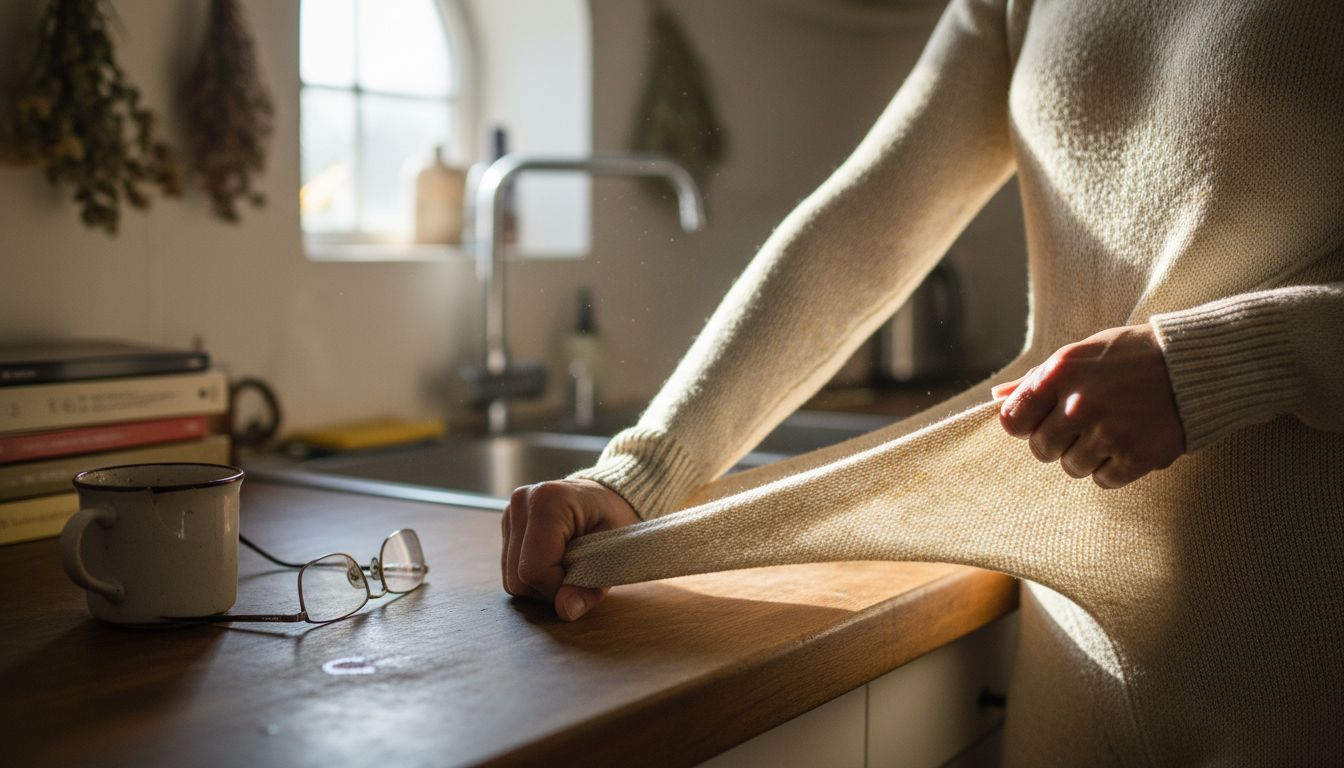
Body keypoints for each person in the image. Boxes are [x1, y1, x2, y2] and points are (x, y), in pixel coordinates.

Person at [501, 0, 1344, 764]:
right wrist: (644, 472)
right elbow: (869, 220)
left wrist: (1227, 360)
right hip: (1071, 657)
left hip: (1299, 665)